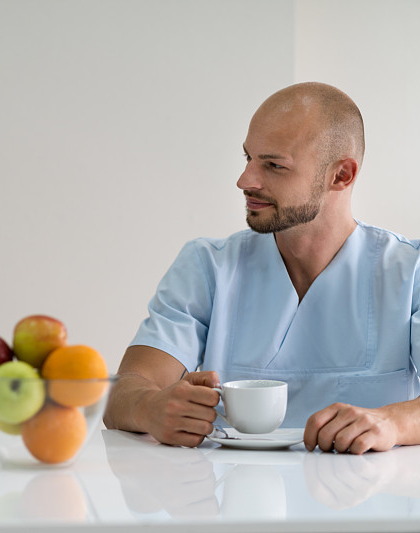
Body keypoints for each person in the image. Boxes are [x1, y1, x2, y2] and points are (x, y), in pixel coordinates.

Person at [104, 82, 420, 455]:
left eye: (273, 165)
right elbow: (126, 389)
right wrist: (149, 407)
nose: (245, 181)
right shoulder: (208, 266)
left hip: (368, 506)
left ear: (341, 176)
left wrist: (393, 421)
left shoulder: (409, 272)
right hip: (232, 502)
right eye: (247, 158)